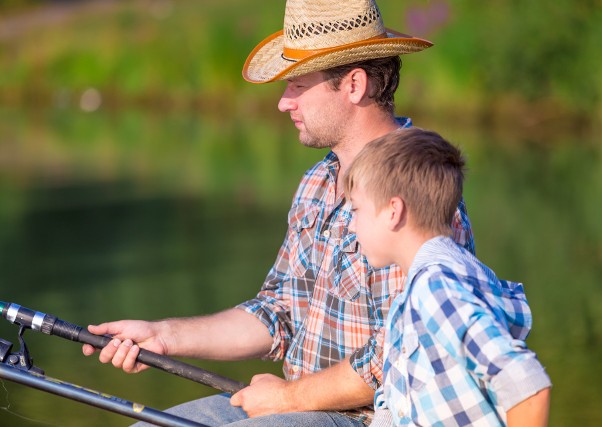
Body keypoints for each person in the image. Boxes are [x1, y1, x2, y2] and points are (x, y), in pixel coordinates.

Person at [82, 0, 475, 426]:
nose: (283, 103)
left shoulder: (412, 190)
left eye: (298, 85)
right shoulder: (316, 183)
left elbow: (398, 355)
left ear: (354, 85)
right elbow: (278, 313)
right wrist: (163, 336)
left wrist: (286, 397)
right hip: (296, 404)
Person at [344, 127, 551, 427]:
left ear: (393, 211)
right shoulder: (416, 291)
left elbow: (527, 386)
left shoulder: (436, 288)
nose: (352, 226)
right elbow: (396, 406)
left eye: (356, 210)